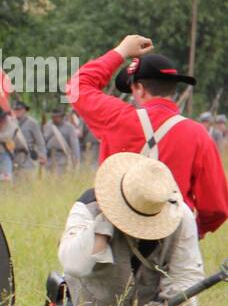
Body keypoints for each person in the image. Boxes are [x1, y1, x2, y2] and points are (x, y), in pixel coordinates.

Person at [40, 153, 204, 306]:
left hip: (151, 301)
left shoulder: (179, 216)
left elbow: (187, 275)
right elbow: (72, 263)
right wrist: (99, 229)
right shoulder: (89, 205)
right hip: (84, 299)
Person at [65, 34, 228, 237]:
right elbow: (216, 208)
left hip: (117, 230)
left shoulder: (117, 118)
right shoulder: (198, 134)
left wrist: (122, 50)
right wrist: (196, 232)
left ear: (140, 89)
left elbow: (76, 87)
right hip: (172, 233)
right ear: (173, 89)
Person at [12, 100, 47, 174]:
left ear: (24, 110)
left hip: (28, 157)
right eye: (15, 109)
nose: (17, 111)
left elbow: (40, 142)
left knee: (28, 181)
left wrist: (43, 155)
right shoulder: (11, 122)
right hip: (14, 157)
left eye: (19, 109)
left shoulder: (32, 123)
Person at [43, 107, 81, 174]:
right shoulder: (47, 127)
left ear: (62, 117)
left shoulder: (69, 128)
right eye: (54, 117)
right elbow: (43, 142)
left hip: (62, 157)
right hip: (49, 157)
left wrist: (76, 159)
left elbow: (74, 144)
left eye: (57, 117)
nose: (55, 118)